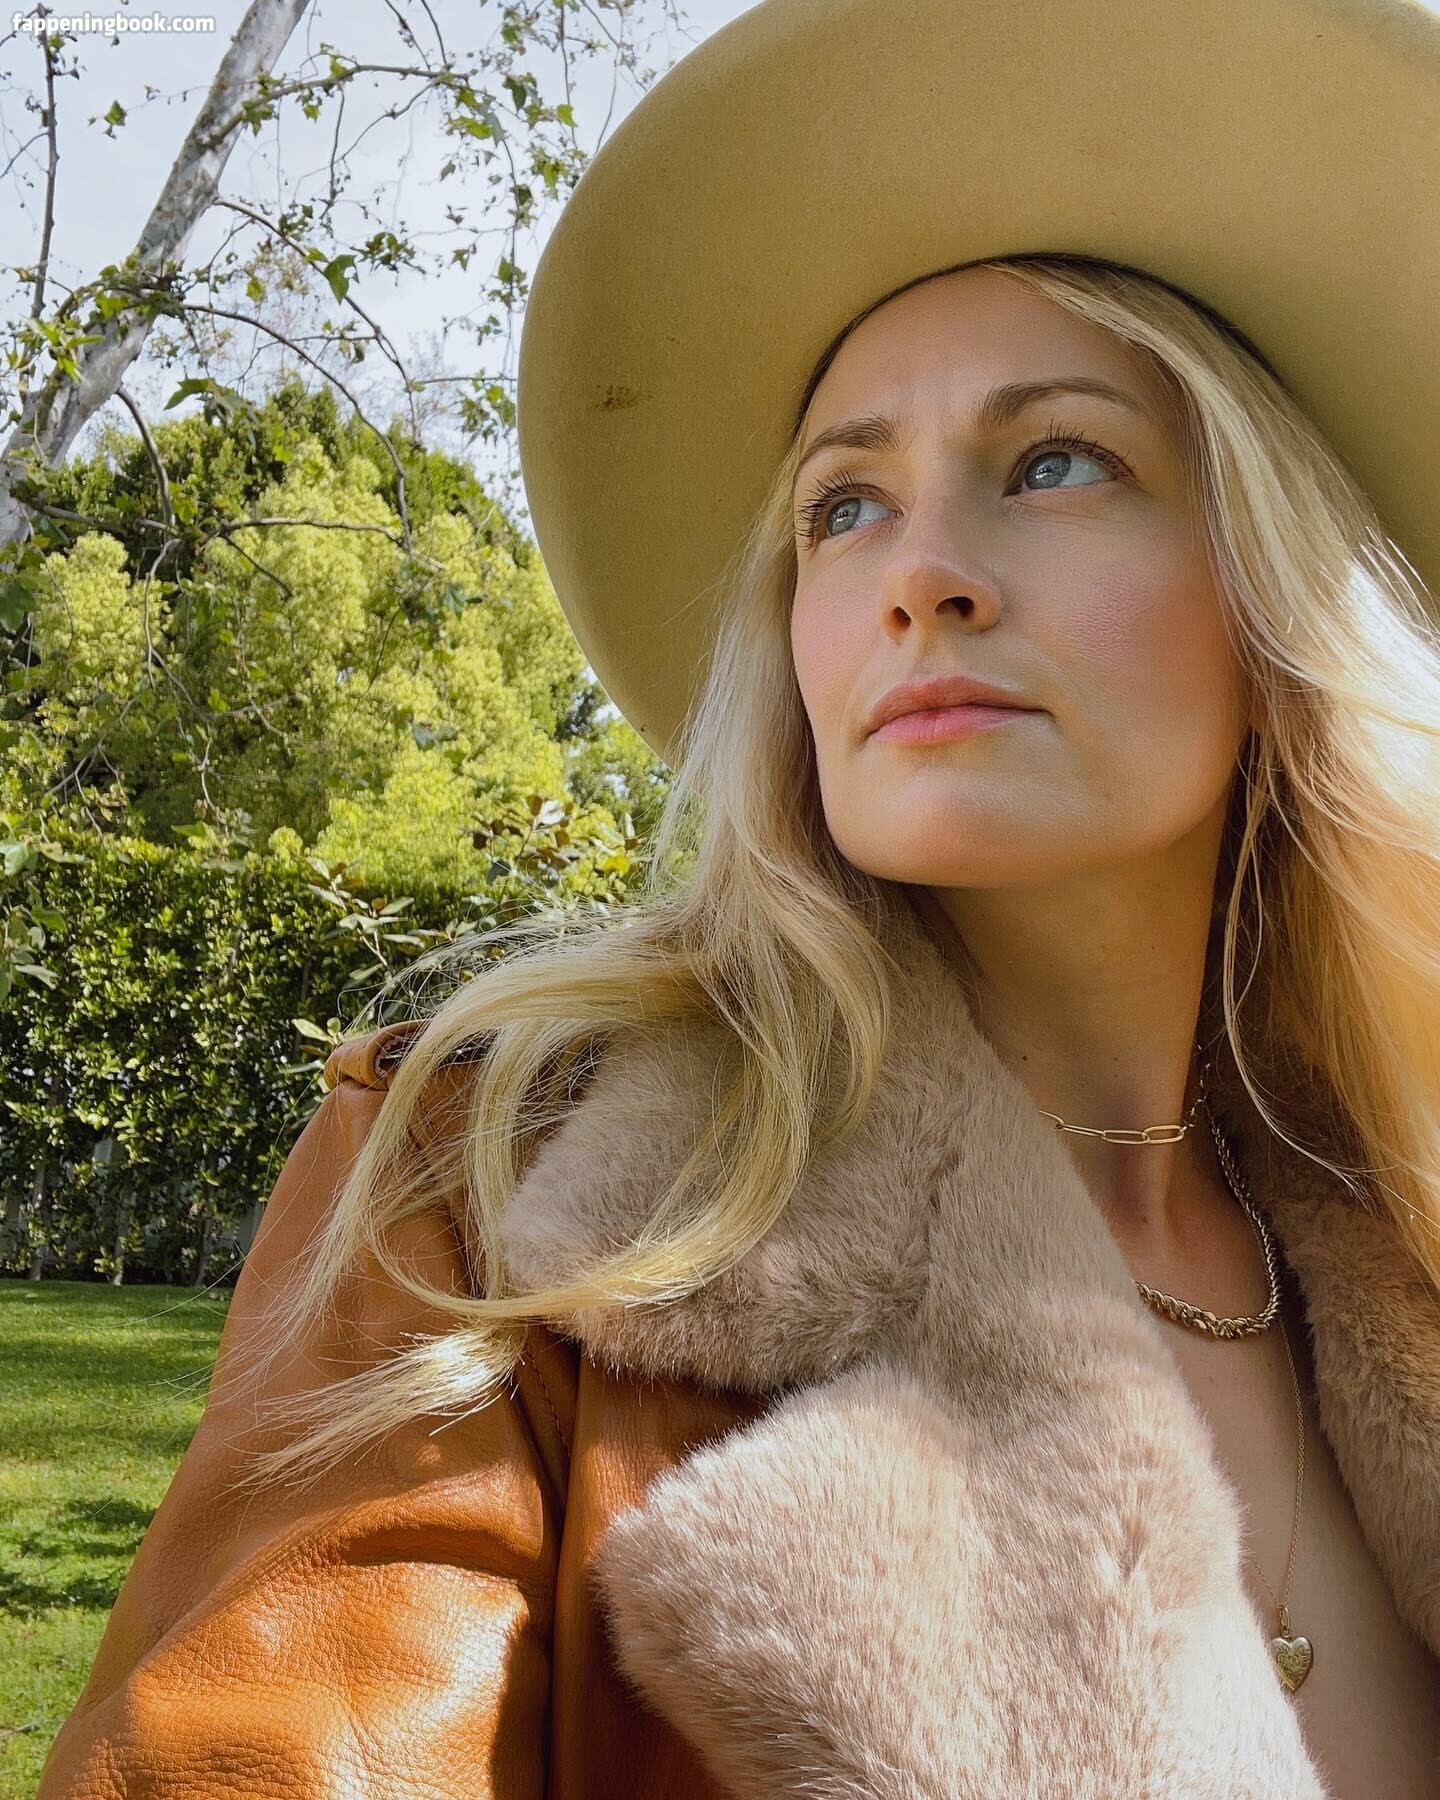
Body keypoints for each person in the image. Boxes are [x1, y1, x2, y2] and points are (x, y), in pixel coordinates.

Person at [37, 0, 1440, 1794]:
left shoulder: (1394, 1226)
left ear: (1272, 582)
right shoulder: (495, 1186)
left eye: (1055, 462)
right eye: (843, 506)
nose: (922, 573)